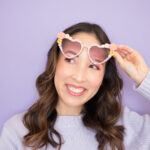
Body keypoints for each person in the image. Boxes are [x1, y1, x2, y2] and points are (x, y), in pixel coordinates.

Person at [0, 22, 150, 150]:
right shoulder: (17, 131)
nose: (79, 77)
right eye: (70, 60)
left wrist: (144, 77)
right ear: (55, 62)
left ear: (104, 76)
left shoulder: (124, 126)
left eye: (93, 66)